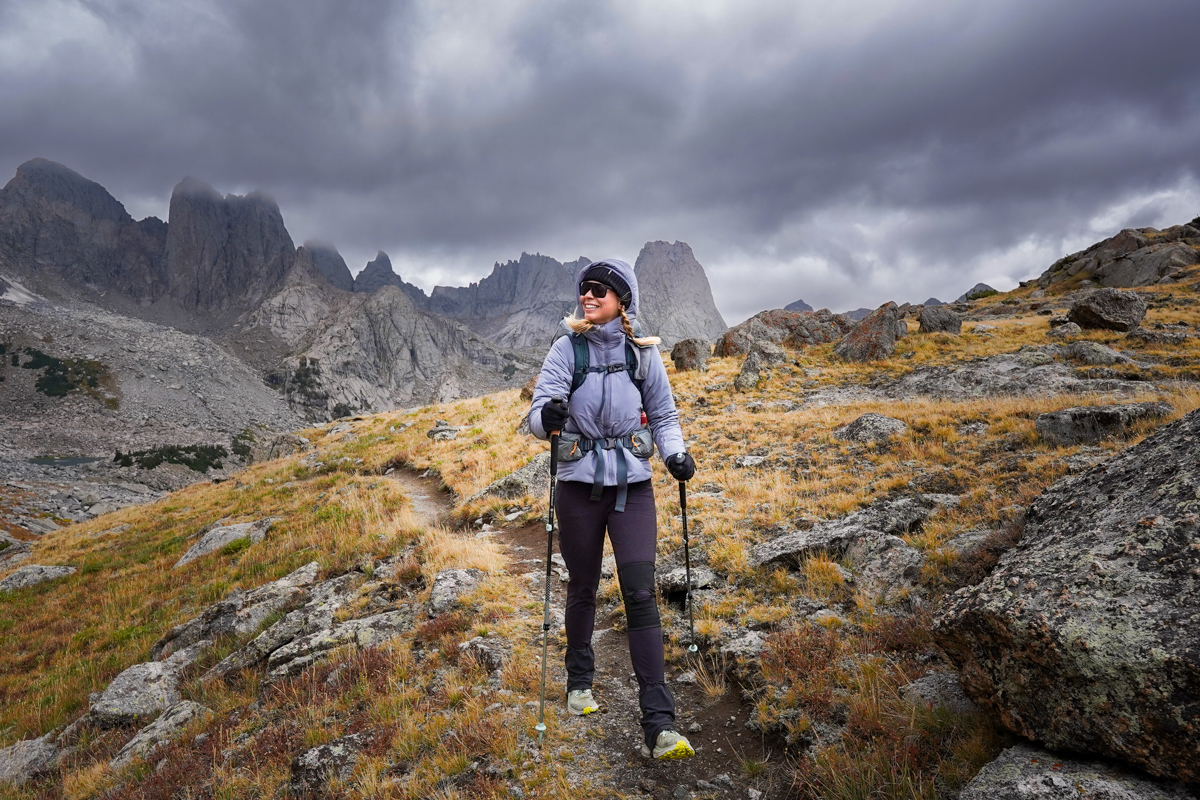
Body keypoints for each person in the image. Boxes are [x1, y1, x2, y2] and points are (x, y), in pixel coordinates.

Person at [529, 258, 698, 760]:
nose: (588, 296)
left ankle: (660, 724)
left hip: (634, 488)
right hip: (578, 489)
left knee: (640, 592)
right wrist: (547, 417)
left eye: (599, 290)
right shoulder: (566, 349)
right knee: (582, 585)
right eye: (584, 289)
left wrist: (675, 456)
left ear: (622, 300)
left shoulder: (643, 355)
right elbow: (538, 415)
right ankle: (579, 682)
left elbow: (664, 415)